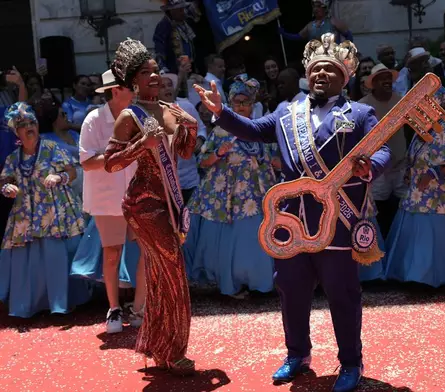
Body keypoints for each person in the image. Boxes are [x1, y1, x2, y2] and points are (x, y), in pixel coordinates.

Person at [195, 33, 391, 392]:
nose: (320, 75)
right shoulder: (288, 111)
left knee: (342, 293)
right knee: (291, 290)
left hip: (338, 219)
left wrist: (368, 168)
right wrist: (220, 112)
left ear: (344, 77)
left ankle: (351, 362)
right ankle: (297, 354)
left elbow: (382, 152)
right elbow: (253, 131)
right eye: (315, 69)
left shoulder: (361, 113)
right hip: (292, 220)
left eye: (329, 70)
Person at [104, 38, 198, 375]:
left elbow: (185, 154)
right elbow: (111, 163)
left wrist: (191, 127)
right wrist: (142, 144)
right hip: (143, 204)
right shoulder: (130, 115)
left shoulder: (171, 110)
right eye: (146, 73)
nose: (154, 77)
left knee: (164, 273)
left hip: (170, 200)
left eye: (156, 71)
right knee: (172, 269)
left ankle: (162, 346)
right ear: (132, 81)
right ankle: (171, 350)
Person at [185, 76, 276, 297]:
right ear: (231, 104)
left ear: (253, 104)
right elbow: (202, 161)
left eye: (246, 102)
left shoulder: (262, 129)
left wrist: (267, 158)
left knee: (256, 237)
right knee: (231, 240)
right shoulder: (220, 131)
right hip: (225, 195)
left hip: (257, 192)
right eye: (237, 102)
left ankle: (260, 282)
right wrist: (218, 153)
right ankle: (232, 283)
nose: (242, 106)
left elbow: (277, 159)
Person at [72, 70, 145, 333]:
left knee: (147, 252)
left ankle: (139, 308)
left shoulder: (139, 115)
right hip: (107, 199)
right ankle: (114, 309)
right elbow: (86, 162)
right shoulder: (93, 119)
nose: (135, 91)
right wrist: (121, 154)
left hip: (137, 195)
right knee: (112, 253)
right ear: (115, 91)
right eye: (130, 87)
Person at [0, 102, 89, 318]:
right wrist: (7, 188)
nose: (29, 127)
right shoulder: (13, 158)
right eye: (23, 124)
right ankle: (28, 306)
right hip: (25, 214)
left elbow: (73, 172)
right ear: (16, 131)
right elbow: (4, 181)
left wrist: (59, 177)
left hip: (54, 211)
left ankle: (60, 304)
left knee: (55, 256)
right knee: (26, 260)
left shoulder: (52, 148)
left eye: (32, 122)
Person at [384, 78, 445, 287]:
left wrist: (434, 173)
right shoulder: (421, 132)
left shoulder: (443, 131)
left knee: (434, 238)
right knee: (417, 238)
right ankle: (417, 276)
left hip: (438, 195)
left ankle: (431, 277)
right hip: (417, 193)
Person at [358, 64, 403, 237]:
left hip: (400, 164)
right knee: (381, 210)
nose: (386, 81)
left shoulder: (401, 101)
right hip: (376, 168)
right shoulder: (362, 106)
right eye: (382, 78)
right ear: (373, 83)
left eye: (388, 78)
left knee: (400, 207)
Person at [158, 72, 207, 203]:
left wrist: (200, 139)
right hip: (166, 181)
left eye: (169, 85)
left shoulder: (186, 107)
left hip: (190, 176)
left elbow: (201, 127)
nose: (167, 88)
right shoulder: (152, 113)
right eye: (162, 86)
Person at [279, 0, 353, 43]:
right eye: (314, 6)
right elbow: (297, 37)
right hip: (316, 59)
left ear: (325, 8)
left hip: (333, 58)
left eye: (318, 6)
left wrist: (346, 50)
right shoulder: (310, 26)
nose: (315, 9)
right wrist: (284, 33)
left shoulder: (333, 22)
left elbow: (348, 35)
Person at [153, 0, 196, 74]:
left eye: (183, 9)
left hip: (189, 68)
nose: (183, 12)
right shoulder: (164, 25)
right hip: (174, 69)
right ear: (172, 11)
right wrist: (162, 67)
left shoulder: (186, 24)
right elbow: (159, 48)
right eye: (180, 10)